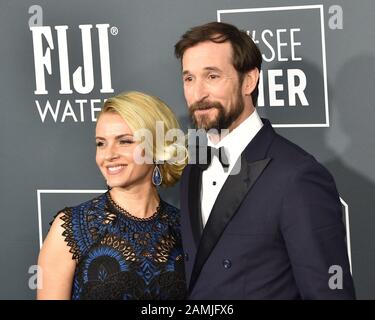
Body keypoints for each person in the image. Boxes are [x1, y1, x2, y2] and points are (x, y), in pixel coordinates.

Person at [175, 22, 355, 299]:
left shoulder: (297, 176)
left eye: (212, 76)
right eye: (189, 79)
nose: (198, 93)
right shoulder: (192, 169)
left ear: (249, 80)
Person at [37, 91, 187, 300]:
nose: (108, 155)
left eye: (124, 141)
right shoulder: (72, 228)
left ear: (156, 146)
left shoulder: (184, 228)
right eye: (101, 143)